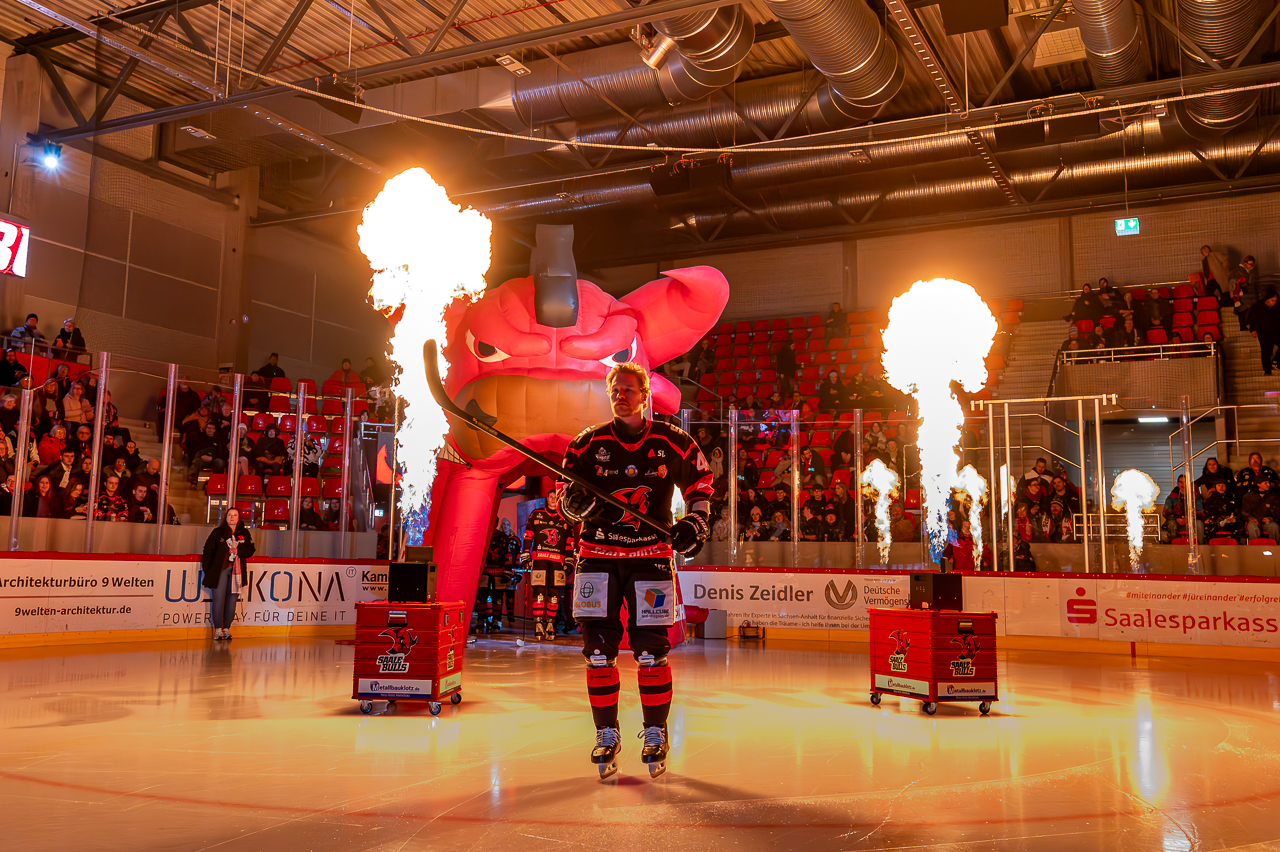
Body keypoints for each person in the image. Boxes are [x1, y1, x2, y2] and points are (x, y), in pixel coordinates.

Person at [560, 362, 712, 779]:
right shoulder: (587, 443)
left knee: (650, 652)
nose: (620, 395)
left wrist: (696, 521)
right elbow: (564, 496)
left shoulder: (672, 440)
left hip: (651, 558)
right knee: (597, 654)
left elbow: (701, 483)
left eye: (628, 389)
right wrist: (575, 503)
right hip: (597, 557)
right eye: (614, 389)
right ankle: (606, 733)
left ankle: (655, 731)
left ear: (645, 395)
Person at [520, 487, 577, 640]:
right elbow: (528, 535)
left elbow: (569, 542)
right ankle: (538, 623)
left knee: (554, 593)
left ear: (559, 499)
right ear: (547, 498)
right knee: (538, 591)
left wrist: (569, 560)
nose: (552, 499)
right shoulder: (536, 514)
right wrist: (525, 554)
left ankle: (550, 623)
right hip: (539, 559)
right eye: (550, 496)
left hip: (557, 561)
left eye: (555, 497)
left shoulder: (565, 518)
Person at [200, 508, 255, 640]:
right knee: (218, 601)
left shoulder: (244, 533)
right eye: (229, 515)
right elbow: (207, 552)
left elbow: (250, 550)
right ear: (226, 517)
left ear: (239, 518)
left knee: (232, 601)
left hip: (237, 572)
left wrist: (238, 550)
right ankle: (218, 630)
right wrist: (209, 571)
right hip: (220, 571)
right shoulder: (217, 532)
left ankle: (226, 629)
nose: (232, 517)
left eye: (235, 515)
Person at [1163, 474, 1205, 542]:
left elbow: (1200, 512)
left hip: (1191, 521)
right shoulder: (1171, 497)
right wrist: (1177, 518)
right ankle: (1172, 544)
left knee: (1199, 524)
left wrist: (1188, 519)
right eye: (1181, 482)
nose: (1183, 484)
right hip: (1176, 521)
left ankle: (1199, 545)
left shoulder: (1195, 497)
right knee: (1171, 524)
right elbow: (1166, 513)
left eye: (1185, 482)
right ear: (1177, 483)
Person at [1248, 286, 1280, 375]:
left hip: (1277, 331)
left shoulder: (1278, 307)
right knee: (1266, 351)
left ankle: (1276, 361)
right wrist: (1253, 329)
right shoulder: (1258, 307)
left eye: (1275, 300)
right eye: (1272, 300)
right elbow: (1252, 319)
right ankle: (1267, 370)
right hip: (1264, 333)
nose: (1274, 302)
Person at [1231, 256, 1258, 330]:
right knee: (1242, 310)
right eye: (1249, 263)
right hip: (1242, 295)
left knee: (1251, 311)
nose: (1251, 265)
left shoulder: (1253, 271)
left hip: (1251, 295)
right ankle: (1243, 325)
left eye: (1252, 263)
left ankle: (1250, 326)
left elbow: (1256, 283)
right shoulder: (1238, 271)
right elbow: (1233, 282)